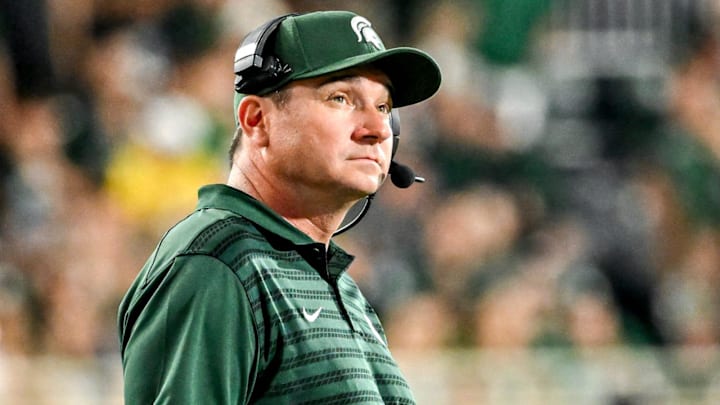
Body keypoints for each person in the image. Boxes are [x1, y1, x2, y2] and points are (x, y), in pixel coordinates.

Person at [117, 10, 441, 404]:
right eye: (340, 98)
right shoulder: (217, 264)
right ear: (257, 120)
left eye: (384, 107)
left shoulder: (336, 284)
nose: (375, 130)